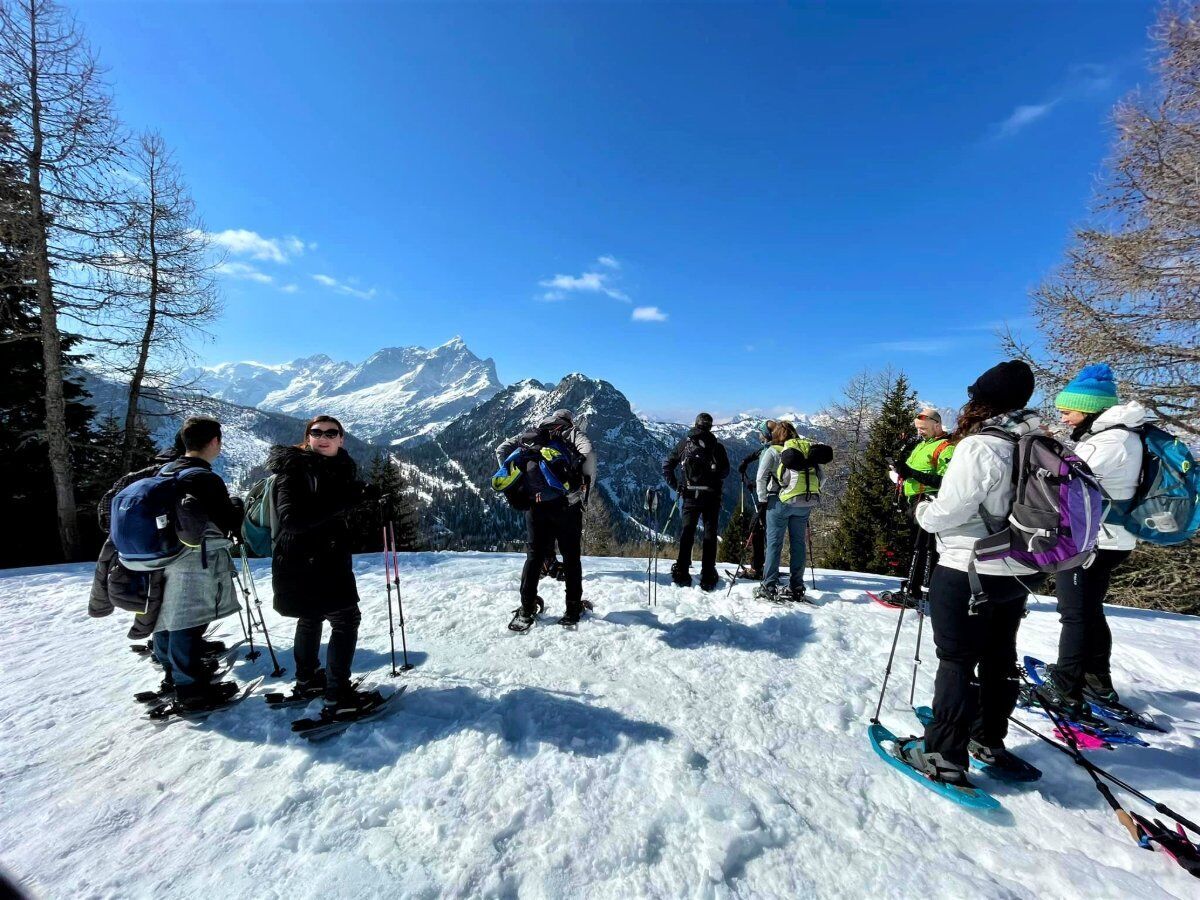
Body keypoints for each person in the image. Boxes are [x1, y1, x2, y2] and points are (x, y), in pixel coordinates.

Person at [904, 361, 1044, 785]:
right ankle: (988, 738)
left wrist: (922, 510)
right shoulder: (1038, 442)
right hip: (1020, 568)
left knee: (957, 660)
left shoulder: (980, 446)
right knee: (1000, 655)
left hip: (968, 566)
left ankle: (944, 754)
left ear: (982, 401)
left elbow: (950, 511)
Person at [1032, 364, 1146, 716]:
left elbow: (1068, 479)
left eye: (1068, 411)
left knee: (1075, 614)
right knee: (1089, 610)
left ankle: (1065, 688)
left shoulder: (1112, 441)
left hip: (1094, 542)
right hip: (1109, 539)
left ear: (1090, 408)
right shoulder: (1116, 435)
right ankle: (1097, 680)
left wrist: (1041, 449)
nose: (1064, 417)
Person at [268, 415, 374, 713]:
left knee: (311, 616)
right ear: (308, 437)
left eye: (331, 432)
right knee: (346, 619)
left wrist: (361, 494)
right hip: (308, 560)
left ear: (341, 438)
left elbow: (330, 501)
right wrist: (346, 500)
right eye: (317, 432)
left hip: (322, 556)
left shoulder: (335, 466)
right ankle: (337, 695)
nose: (323, 437)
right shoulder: (295, 470)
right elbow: (291, 520)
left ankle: (308, 681)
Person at [153, 417, 245, 711]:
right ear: (215, 442)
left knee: (166, 615)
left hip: (161, 556)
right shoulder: (205, 478)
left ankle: (173, 675)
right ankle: (191, 689)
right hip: (193, 558)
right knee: (189, 620)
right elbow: (228, 522)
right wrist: (237, 506)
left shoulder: (165, 470)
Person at [497, 409, 595, 629]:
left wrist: (515, 480)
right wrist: (582, 495)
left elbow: (501, 450)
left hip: (535, 505)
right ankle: (572, 609)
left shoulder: (531, 434)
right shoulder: (572, 432)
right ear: (568, 420)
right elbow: (588, 454)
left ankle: (527, 609)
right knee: (571, 558)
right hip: (566, 506)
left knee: (534, 557)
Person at [754, 421, 831, 601]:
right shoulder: (806, 451)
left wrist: (763, 499)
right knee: (798, 544)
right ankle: (796, 586)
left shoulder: (773, 451)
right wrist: (807, 494)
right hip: (804, 502)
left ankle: (768, 585)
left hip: (778, 501)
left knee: (774, 543)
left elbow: (761, 477)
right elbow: (822, 477)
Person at [885, 408, 954, 602]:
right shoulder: (923, 445)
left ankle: (916, 591)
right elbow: (913, 470)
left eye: (923, 428)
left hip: (929, 502)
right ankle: (915, 586)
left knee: (922, 547)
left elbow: (944, 481)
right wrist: (900, 470)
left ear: (937, 425)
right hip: (914, 501)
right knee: (915, 545)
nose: (919, 432)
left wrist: (910, 473)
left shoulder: (946, 447)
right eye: (917, 428)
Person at [662, 413, 730, 590]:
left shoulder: (685, 444)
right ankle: (708, 573)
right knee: (710, 533)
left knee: (687, 532)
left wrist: (677, 485)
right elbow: (725, 472)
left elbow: (667, 465)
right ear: (710, 426)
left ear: (696, 424)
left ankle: (682, 571)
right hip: (712, 496)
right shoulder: (717, 446)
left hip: (690, 495)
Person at [734, 420, 776, 579]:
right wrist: (745, 461)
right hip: (774, 496)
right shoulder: (769, 448)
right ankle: (765, 565)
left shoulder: (770, 450)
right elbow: (756, 454)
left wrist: (754, 484)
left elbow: (768, 475)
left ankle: (756, 567)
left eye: (760, 432)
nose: (758, 434)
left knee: (756, 529)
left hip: (766, 497)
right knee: (766, 530)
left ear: (766, 434)